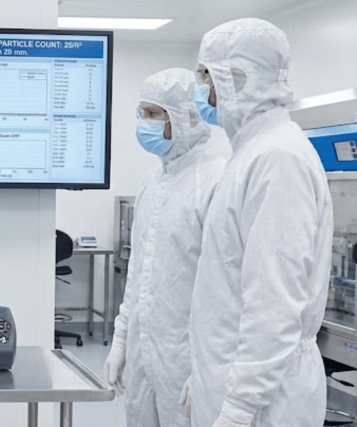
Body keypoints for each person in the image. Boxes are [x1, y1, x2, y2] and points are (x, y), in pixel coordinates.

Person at [186, 18, 332, 427]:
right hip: (236, 380)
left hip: (264, 402)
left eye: (205, 75)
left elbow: (273, 302)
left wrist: (239, 408)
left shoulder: (277, 158)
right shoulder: (252, 153)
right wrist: (205, 374)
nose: (201, 87)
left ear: (237, 78)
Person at [102, 68, 226, 427]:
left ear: (185, 117)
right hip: (144, 352)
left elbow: (225, 288)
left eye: (154, 113)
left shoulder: (215, 180)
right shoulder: (152, 182)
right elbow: (138, 275)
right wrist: (121, 341)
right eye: (142, 113)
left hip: (187, 357)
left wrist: (209, 366)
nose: (144, 123)